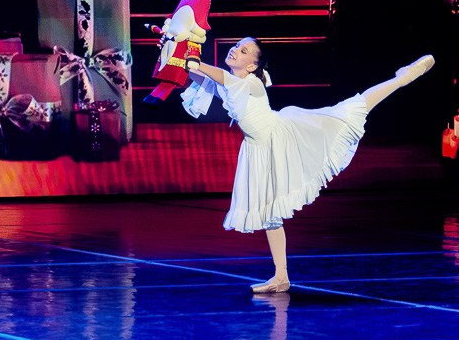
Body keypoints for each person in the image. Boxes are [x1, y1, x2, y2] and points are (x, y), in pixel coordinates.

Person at [182, 38, 435, 294]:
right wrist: (178, 55)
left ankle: (402, 78)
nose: (235, 49)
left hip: (282, 137)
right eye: (237, 45)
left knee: (350, 110)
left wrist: (196, 62)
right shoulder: (231, 85)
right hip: (259, 149)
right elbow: (201, 78)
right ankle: (281, 277)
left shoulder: (252, 84)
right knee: (270, 214)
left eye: (243, 50)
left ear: (252, 66)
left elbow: (221, 77)